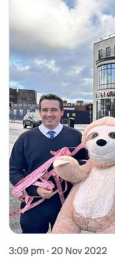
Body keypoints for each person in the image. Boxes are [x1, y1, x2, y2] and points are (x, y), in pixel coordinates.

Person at [10, 94, 85, 233]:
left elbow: (87, 166)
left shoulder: (76, 137)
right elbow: (13, 170)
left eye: (54, 110)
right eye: (45, 110)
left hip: (67, 206)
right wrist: (35, 190)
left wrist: (70, 164)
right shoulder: (25, 139)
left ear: (62, 112)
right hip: (33, 206)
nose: (49, 114)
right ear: (39, 112)